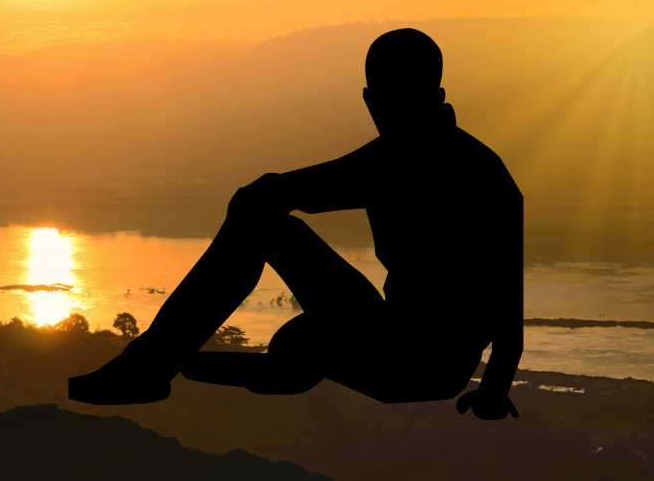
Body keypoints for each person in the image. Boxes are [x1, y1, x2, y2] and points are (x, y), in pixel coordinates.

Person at [70, 28, 523, 420]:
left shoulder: (396, 161)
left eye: (390, 101)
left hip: (404, 364)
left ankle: (153, 368)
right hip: (413, 353)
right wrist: (495, 387)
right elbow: (508, 307)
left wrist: (495, 390)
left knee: (261, 229)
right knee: (295, 340)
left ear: (373, 100)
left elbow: (266, 197)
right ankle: (185, 366)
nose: (385, 113)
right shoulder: (486, 173)